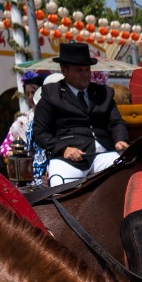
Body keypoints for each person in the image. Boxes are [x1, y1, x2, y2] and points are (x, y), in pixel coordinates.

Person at [32, 42, 129, 186]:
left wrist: (120, 139)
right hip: (69, 159)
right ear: (64, 70)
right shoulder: (52, 94)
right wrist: (63, 148)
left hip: (105, 154)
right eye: (79, 70)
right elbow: (40, 132)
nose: (85, 74)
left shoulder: (103, 92)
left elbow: (116, 122)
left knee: (129, 175)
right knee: (59, 184)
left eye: (87, 69)